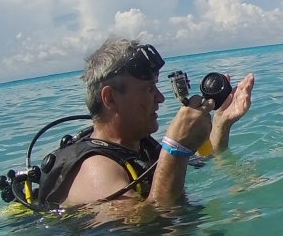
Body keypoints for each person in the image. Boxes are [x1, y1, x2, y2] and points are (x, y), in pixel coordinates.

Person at [41, 38, 255, 209]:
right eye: (148, 88)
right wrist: (175, 148)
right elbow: (144, 231)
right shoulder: (96, 169)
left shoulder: (139, 146)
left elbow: (204, 161)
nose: (160, 98)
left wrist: (221, 122)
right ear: (110, 98)